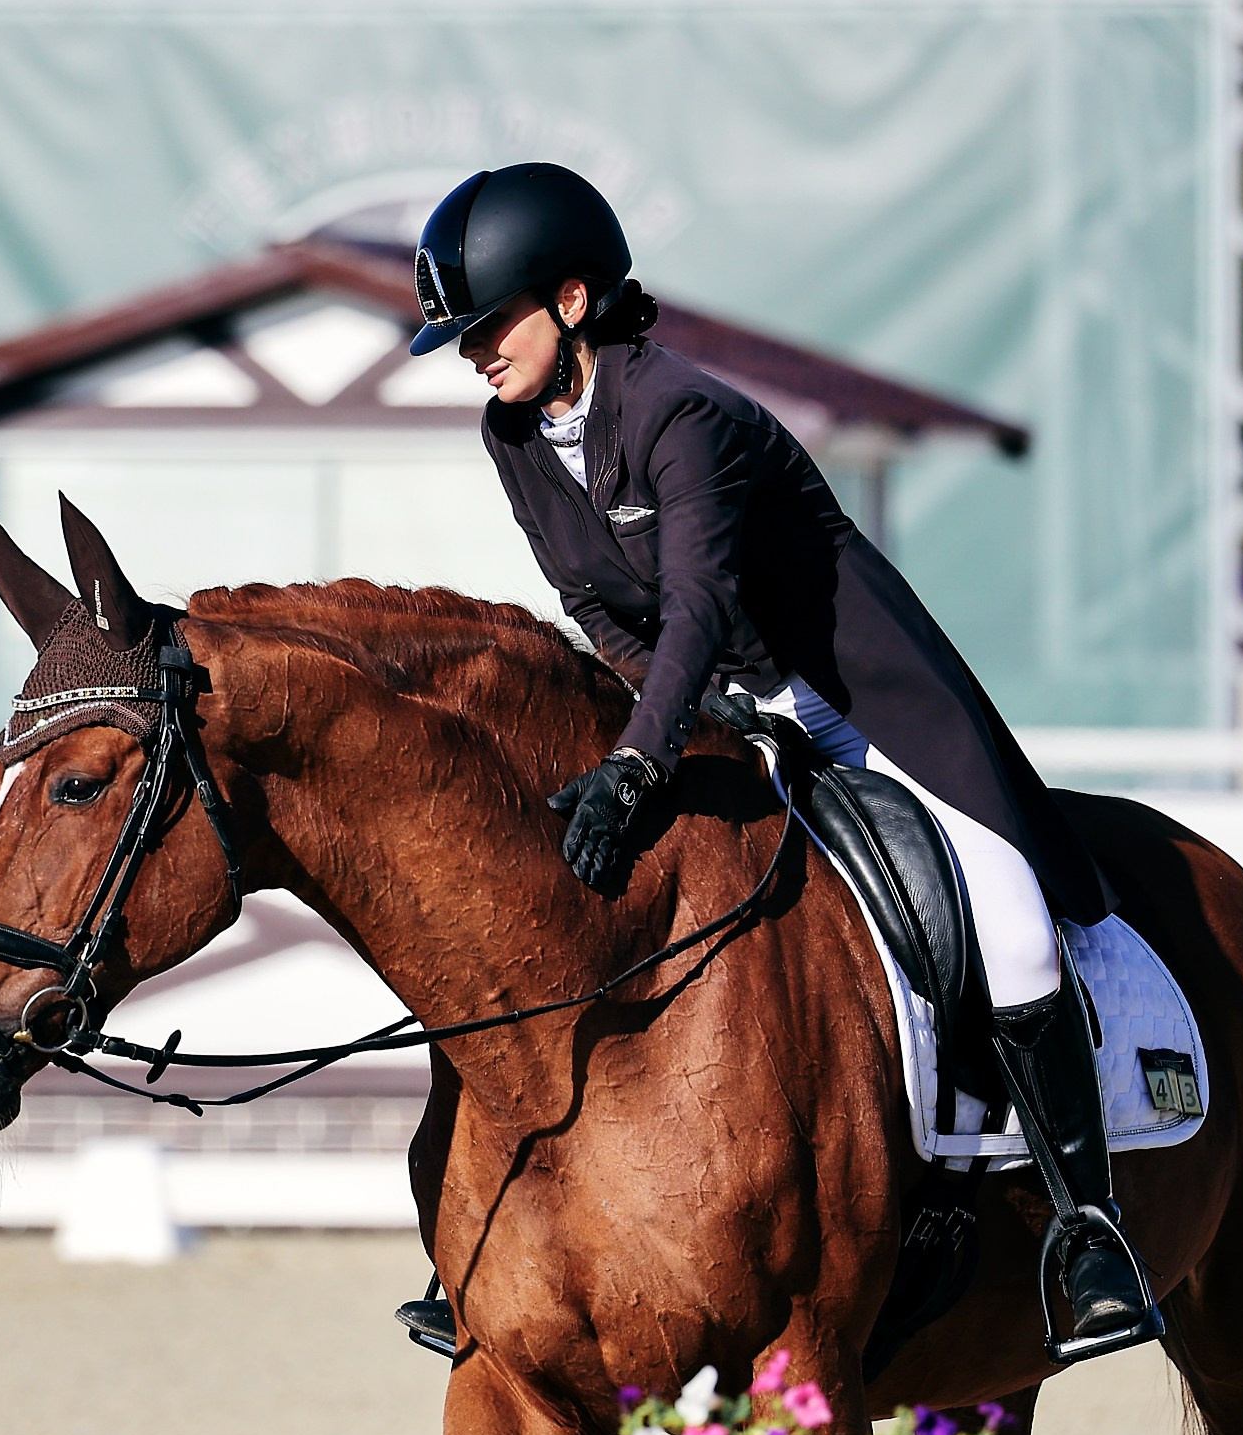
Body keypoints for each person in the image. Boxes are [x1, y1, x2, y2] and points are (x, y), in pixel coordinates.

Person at [394, 163, 1156, 1363]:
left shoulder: (684, 413)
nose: (470, 353)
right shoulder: (514, 433)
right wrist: (659, 739)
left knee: (1007, 925)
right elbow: (596, 604)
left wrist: (644, 757)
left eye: (487, 326)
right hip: (715, 713)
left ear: (575, 299)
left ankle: (1088, 1230)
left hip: (859, 705)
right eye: (460, 336)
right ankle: (480, 1245)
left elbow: (696, 601)